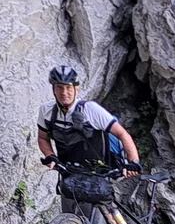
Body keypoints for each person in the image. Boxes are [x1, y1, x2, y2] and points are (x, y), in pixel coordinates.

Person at [36, 64, 140, 210]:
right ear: (53, 89)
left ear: (76, 88)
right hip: (69, 173)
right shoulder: (46, 111)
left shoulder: (90, 110)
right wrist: (50, 156)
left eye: (68, 87)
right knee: (68, 219)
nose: (64, 92)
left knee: (95, 220)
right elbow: (42, 138)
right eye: (59, 87)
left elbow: (122, 133)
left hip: (98, 174)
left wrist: (133, 161)